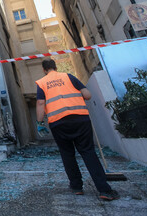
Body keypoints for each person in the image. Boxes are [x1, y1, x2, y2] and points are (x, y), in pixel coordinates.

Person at [35, 59, 119, 201]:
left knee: (67, 154)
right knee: (88, 152)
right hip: (80, 119)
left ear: (44, 70)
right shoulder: (69, 77)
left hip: (58, 123)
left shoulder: (42, 83)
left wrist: (39, 122)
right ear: (56, 67)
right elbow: (87, 95)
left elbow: (40, 102)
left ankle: (76, 187)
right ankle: (104, 190)